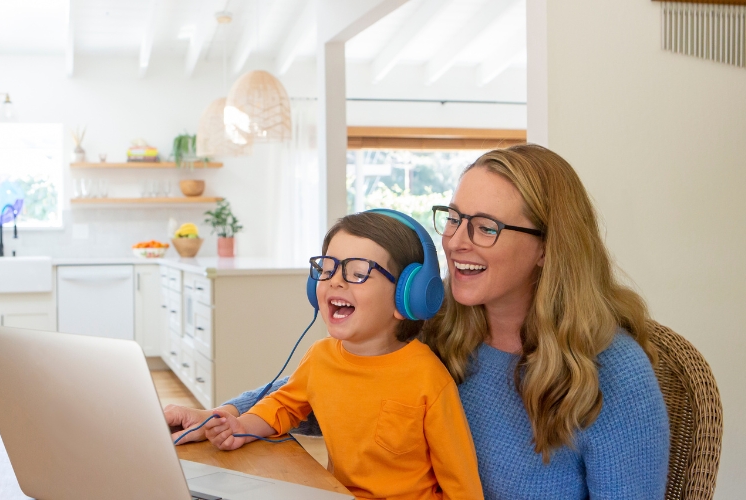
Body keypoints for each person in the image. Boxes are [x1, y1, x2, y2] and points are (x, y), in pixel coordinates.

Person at [165, 144, 671, 500]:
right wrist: (222, 414)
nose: (456, 242)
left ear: (547, 248)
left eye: (486, 227)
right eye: (453, 218)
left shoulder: (614, 374)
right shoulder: (443, 326)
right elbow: (340, 390)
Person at [201, 211, 484, 500]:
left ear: (407, 296)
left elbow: (460, 480)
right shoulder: (320, 357)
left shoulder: (429, 378)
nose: (336, 281)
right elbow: (283, 405)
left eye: (358, 272)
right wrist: (242, 427)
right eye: (327, 269)